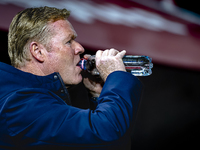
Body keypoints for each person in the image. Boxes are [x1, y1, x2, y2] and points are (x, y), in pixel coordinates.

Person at [0, 6, 142, 150]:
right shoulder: (19, 105)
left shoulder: (34, 101)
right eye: (69, 41)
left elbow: (106, 145)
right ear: (38, 51)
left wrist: (100, 96)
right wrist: (116, 77)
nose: (80, 48)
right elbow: (107, 134)